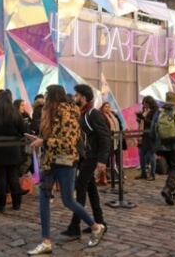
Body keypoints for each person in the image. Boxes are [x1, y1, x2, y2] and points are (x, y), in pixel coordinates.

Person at [27, 84, 106, 255]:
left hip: (65, 162)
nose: (45, 98)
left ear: (54, 96)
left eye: (47, 95)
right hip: (49, 162)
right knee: (43, 200)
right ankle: (46, 241)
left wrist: (45, 142)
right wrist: (41, 139)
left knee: (68, 200)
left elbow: (68, 141)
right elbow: (54, 137)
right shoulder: (50, 113)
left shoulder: (68, 113)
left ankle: (95, 226)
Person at [60, 84, 110, 240]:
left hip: (93, 157)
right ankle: (99, 221)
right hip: (85, 157)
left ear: (83, 97)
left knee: (81, 185)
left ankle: (75, 226)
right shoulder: (82, 113)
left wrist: (102, 160)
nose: (74, 98)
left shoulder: (92, 114)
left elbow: (105, 137)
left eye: (76, 95)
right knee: (90, 187)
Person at [0, 91, 28, 212]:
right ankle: (16, 202)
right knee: (12, 175)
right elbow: (22, 129)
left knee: (0, 176)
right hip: (13, 147)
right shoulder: (14, 113)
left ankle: (1, 203)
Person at [136, 96, 158, 180]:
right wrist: (139, 118)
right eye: (144, 103)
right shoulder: (145, 110)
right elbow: (143, 121)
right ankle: (143, 173)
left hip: (150, 134)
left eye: (146, 103)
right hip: (143, 134)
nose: (145, 105)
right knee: (141, 153)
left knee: (151, 154)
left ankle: (152, 174)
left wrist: (143, 118)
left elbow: (154, 123)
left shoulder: (155, 111)